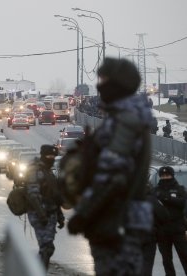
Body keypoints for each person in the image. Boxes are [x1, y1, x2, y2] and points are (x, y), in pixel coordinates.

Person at [67, 57, 154, 275]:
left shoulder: (124, 122)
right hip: (116, 221)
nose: (99, 86)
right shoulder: (127, 118)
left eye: (103, 80)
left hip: (116, 223)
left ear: (118, 85)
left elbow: (112, 177)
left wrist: (84, 213)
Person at [23, 145, 64, 270]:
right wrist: (41, 214)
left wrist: (60, 216)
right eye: (49, 156)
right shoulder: (35, 171)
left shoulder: (48, 171)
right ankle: (37, 271)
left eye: (53, 156)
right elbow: (33, 195)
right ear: (42, 155)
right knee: (46, 247)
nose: (51, 158)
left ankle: (37, 270)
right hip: (38, 214)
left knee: (48, 248)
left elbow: (54, 196)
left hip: (51, 213)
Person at [153, 166, 187, 275]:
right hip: (162, 230)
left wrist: (166, 198)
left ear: (172, 175)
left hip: (178, 229)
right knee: (166, 260)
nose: (165, 177)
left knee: (184, 255)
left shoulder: (180, 189)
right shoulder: (155, 190)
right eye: (162, 176)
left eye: (167, 175)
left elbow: (182, 203)